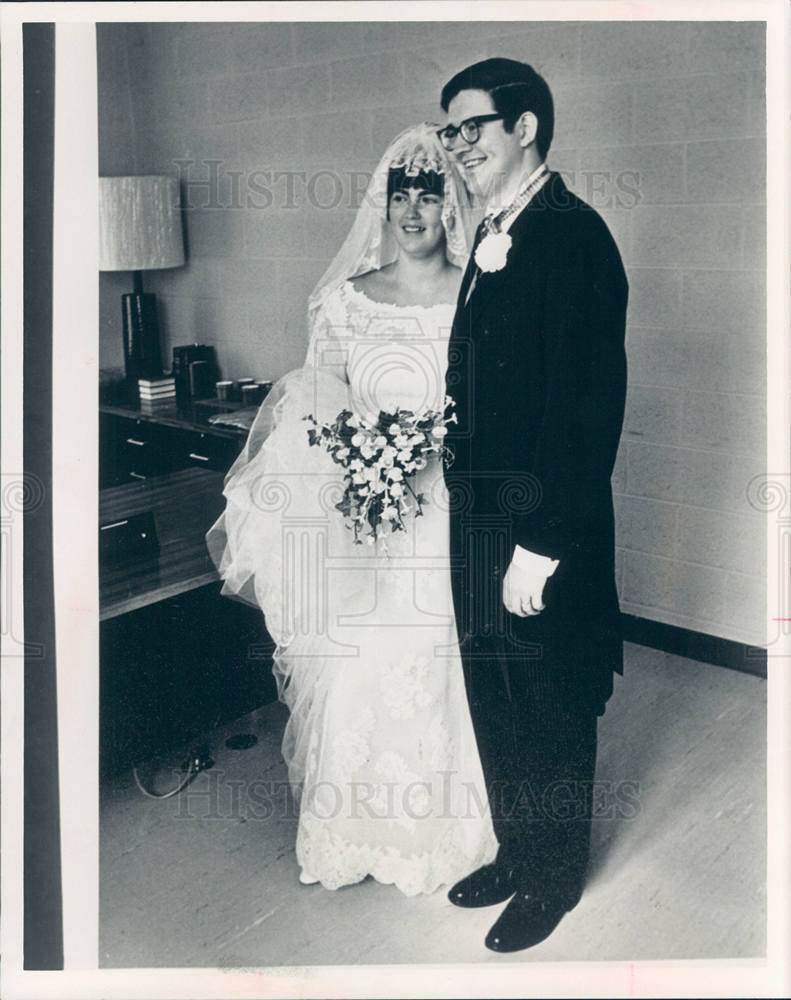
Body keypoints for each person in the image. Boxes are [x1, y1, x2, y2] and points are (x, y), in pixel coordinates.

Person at [207, 124, 497, 896]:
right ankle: (355, 829)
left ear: (450, 207)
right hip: (363, 514)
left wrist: (423, 460)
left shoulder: (477, 292)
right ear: (382, 203)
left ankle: (445, 832)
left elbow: (493, 405)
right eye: (399, 195)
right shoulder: (343, 300)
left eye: (427, 198)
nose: (412, 212)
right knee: (358, 657)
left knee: (437, 658)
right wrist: (364, 465)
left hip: (446, 510)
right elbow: (314, 405)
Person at [438, 59, 628, 951]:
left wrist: (542, 545)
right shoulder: (492, 230)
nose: (457, 145)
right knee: (494, 687)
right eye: (448, 132)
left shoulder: (572, 234)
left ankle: (553, 879)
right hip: (477, 516)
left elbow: (587, 405)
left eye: (470, 127)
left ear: (525, 129)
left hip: (541, 528)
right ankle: (520, 849)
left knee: (548, 695)